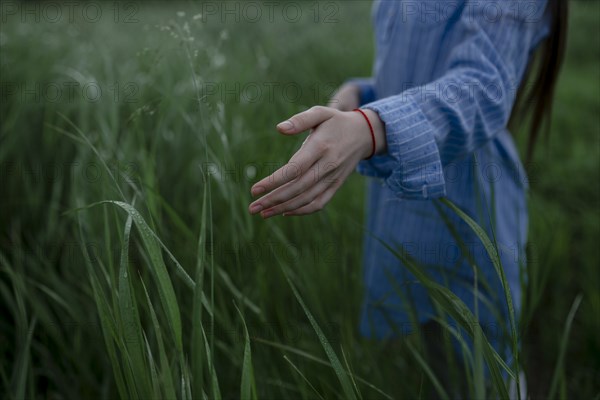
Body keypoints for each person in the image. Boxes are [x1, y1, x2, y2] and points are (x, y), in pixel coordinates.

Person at [248, 0, 567, 395]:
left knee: (478, 368)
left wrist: (368, 126)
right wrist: (361, 94)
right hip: (405, 200)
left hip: (470, 210)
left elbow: (483, 87)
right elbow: (418, 68)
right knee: (434, 356)